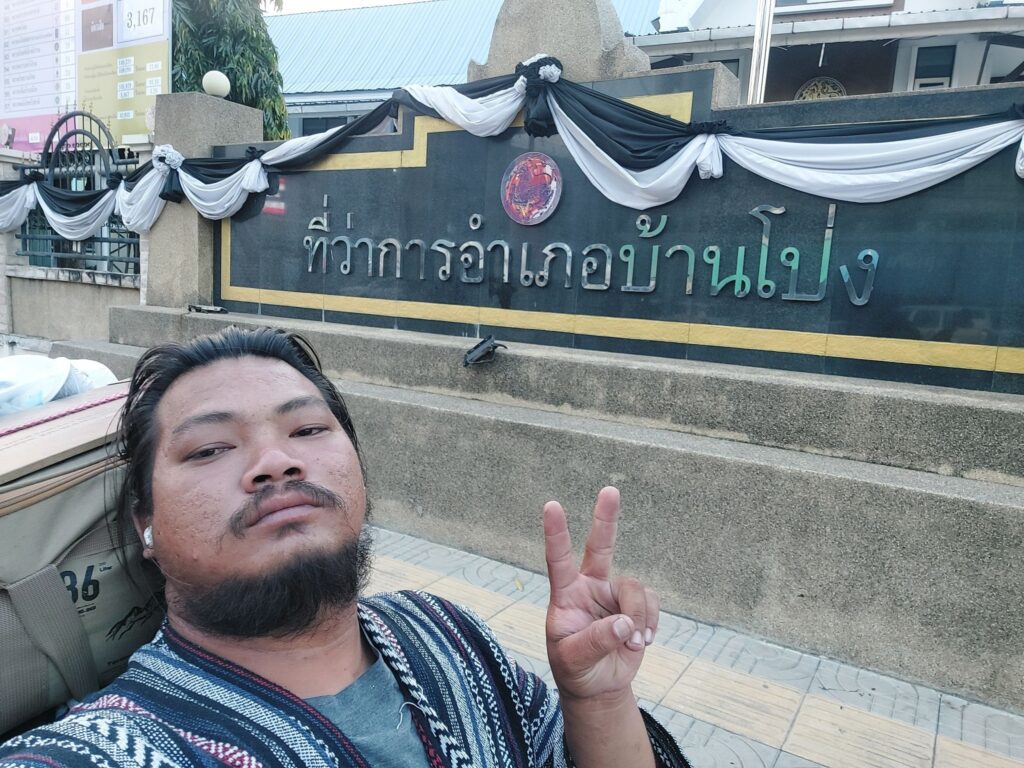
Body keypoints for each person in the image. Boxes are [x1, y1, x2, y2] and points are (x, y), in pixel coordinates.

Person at [0, 326, 689, 768]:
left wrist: (597, 701)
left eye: (307, 430)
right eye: (209, 448)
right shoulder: (107, 749)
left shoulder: (444, 632)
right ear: (143, 523)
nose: (276, 462)